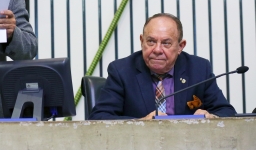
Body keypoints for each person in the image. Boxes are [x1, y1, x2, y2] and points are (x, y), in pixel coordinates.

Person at [89, 13, 236, 120]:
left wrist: (211, 117)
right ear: (142, 41)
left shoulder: (199, 68)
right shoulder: (121, 70)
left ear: (180, 46)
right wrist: (141, 123)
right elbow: (100, 117)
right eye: (151, 41)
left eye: (166, 43)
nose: (157, 50)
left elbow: (226, 111)